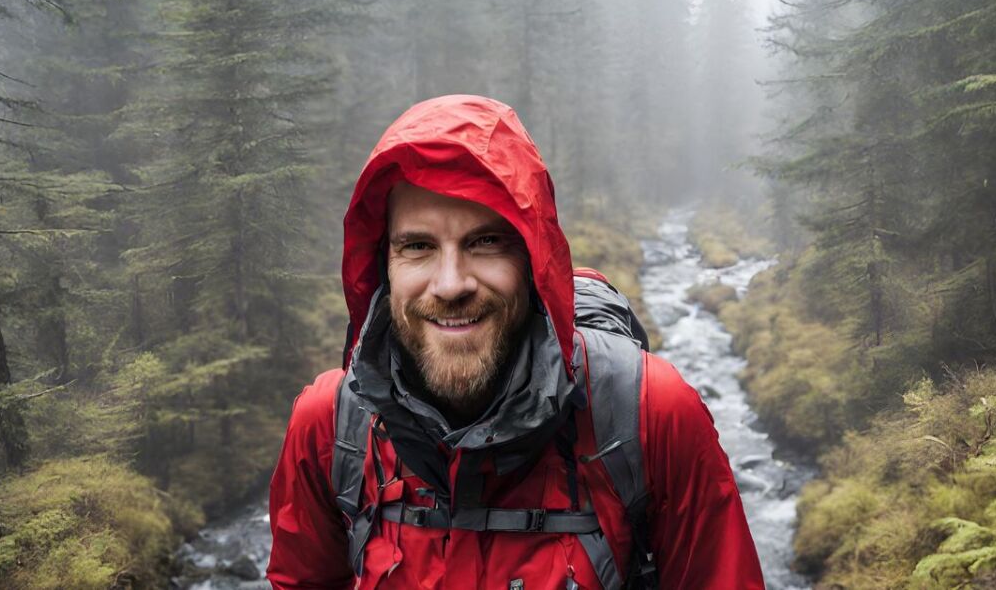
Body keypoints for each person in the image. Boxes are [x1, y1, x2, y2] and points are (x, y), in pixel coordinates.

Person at [267, 94, 766, 589]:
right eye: (417, 246)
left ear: (533, 262)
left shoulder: (649, 415)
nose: (450, 283)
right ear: (384, 269)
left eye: (485, 242)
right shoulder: (330, 427)